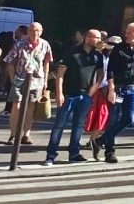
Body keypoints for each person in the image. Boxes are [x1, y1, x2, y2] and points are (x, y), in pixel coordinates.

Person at [94, 23, 134, 163]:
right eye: (126, 31)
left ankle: (100, 140)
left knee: (129, 119)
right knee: (113, 120)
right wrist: (111, 89)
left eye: (129, 32)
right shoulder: (119, 48)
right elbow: (110, 70)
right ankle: (110, 152)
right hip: (117, 87)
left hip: (131, 89)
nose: (126, 34)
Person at [44, 28, 103, 166]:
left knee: (79, 125)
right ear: (87, 38)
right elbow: (60, 74)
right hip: (69, 94)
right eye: (96, 38)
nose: (99, 41)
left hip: (85, 95)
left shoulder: (97, 56)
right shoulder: (72, 52)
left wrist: (95, 87)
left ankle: (74, 153)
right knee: (59, 125)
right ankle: (51, 154)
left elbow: (101, 73)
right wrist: (59, 93)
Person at [6, 21, 51, 146]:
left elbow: (46, 63)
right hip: (20, 79)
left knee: (31, 106)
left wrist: (45, 80)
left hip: (37, 80)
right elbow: (9, 62)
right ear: (28, 31)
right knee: (17, 105)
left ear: (41, 32)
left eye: (37, 30)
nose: (35, 33)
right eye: (32, 30)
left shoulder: (45, 45)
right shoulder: (19, 44)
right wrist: (12, 78)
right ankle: (13, 135)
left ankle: (26, 134)